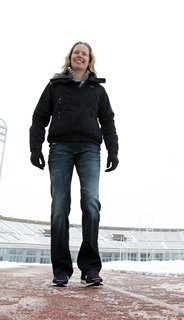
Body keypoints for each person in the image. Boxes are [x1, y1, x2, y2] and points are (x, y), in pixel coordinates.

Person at [29, 41, 119, 287]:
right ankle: (61, 269)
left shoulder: (97, 91)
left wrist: (113, 151)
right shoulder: (55, 86)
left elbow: (108, 122)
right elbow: (39, 118)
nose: (80, 56)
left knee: (91, 204)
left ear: (90, 61)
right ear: (70, 58)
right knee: (59, 207)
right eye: (76, 52)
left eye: (84, 53)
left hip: (90, 149)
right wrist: (35, 148)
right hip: (60, 149)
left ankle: (90, 269)